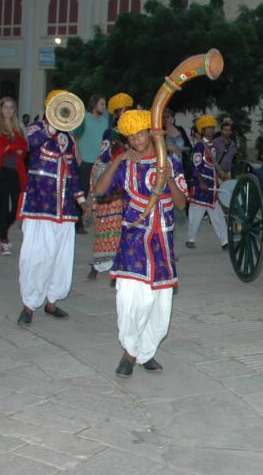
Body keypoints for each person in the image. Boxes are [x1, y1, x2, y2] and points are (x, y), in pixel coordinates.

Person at [93, 109, 188, 378]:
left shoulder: (170, 162)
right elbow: (100, 191)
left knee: (159, 303)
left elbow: (181, 204)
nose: (136, 140)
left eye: (141, 133)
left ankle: (144, 352)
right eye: (131, 136)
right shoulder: (125, 163)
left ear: (150, 132)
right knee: (130, 300)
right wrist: (118, 159)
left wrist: (167, 174)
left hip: (162, 243)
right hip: (133, 245)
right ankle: (129, 350)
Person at [14, 90, 88, 325]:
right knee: (36, 256)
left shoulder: (68, 138)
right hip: (40, 206)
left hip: (64, 209)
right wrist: (53, 125)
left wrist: (82, 201)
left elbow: (73, 172)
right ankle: (28, 304)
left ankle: (51, 301)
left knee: (61, 258)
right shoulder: (37, 128)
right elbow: (33, 143)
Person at [87, 93, 133, 283]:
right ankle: (96, 267)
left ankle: (118, 267)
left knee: (123, 223)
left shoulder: (132, 133)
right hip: (110, 176)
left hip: (125, 176)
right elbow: (106, 156)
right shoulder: (111, 133)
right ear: (117, 114)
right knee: (107, 223)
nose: (127, 113)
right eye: (124, 111)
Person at [0, 97, 27, 255]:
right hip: (1, 171)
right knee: (3, 205)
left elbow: (24, 147)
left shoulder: (17, 129)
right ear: (0, 110)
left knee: (18, 204)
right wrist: (12, 147)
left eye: (11, 107)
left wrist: (13, 148)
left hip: (16, 170)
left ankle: (2, 229)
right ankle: (4, 240)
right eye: (5, 107)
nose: (8, 110)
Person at [186, 114, 228, 250]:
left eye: (212, 127)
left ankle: (225, 241)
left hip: (212, 186)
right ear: (202, 130)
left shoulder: (212, 146)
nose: (211, 130)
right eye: (207, 128)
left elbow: (213, 166)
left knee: (218, 216)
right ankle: (190, 239)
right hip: (201, 187)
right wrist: (201, 182)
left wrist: (221, 176)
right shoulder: (199, 146)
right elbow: (196, 166)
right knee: (195, 214)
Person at [72, 94, 110, 235]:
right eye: (102, 104)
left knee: (100, 192)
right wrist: (79, 159)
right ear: (94, 105)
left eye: (104, 104)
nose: (104, 107)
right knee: (82, 192)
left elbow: (105, 143)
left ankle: (101, 220)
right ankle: (77, 223)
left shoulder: (104, 123)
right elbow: (75, 139)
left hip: (99, 162)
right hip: (85, 162)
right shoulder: (84, 119)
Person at [211, 116, 237, 180]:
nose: (227, 132)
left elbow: (233, 156)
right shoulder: (215, 142)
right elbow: (212, 159)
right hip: (218, 173)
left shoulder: (232, 144)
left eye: (229, 130)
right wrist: (219, 172)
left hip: (229, 173)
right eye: (225, 130)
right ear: (221, 131)